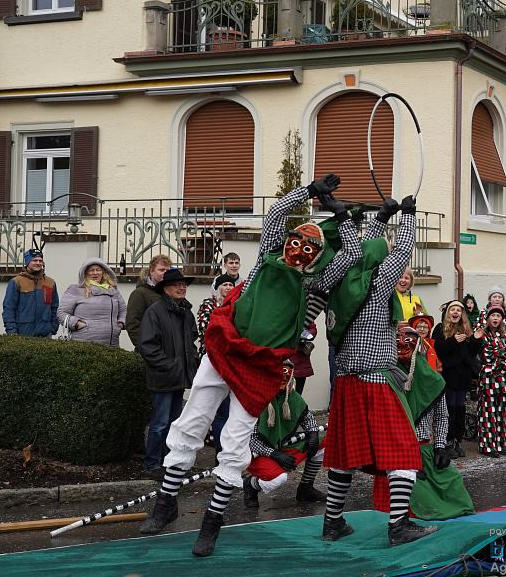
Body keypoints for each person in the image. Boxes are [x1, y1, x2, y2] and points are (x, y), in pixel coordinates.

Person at [139, 176, 362, 558]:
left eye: (311, 245)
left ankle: (212, 521)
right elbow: (277, 212)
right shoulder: (264, 260)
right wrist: (307, 192)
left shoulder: (314, 281)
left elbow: (351, 254)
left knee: (236, 441)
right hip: (225, 351)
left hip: (260, 369)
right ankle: (166, 502)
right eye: (297, 239)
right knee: (191, 422)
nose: (300, 248)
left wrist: (340, 215)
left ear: (316, 256)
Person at [319, 195, 437, 546]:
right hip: (374, 379)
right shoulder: (377, 284)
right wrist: (410, 217)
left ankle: (332, 523)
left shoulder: (342, 280)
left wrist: (381, 217)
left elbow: (363, 250)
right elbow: (401, 254)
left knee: (344, 455)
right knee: (403, 451)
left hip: (345, 381)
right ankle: (399, 525)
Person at [371, 326, 473, 520]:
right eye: (397, 341)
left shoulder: (433, 380)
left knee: (453, 486)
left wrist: (440, 447)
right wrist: (403, 458)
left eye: (407, 341)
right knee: (416, 500)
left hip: (425, 450)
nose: (402, 344)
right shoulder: (383, 379)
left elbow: (442, 416)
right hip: (394, 453)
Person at [136, 267, 199, 476]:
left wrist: (191, 363)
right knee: (159, 424)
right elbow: (147, 346)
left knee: (175, 424)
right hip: (163, 378)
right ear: (166, 289)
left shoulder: (186, 313)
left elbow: (191, 342)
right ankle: (152, 465)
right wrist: (170, 366)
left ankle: (169, 462)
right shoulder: (155, 311)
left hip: (179, 378)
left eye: (184, 285)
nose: (182, 288)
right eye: (176, 285)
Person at [242, 360, 326, 508]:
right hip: (258, 453)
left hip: (283, 446)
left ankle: (305, 488)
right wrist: (275, 455)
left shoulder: (292, 396)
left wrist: (312, 434)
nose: (282, 378)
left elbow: (308, 418)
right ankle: (251, 484)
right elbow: (251, 440)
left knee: (322, 442)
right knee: (278, 480)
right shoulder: (256, 398)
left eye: (286, 373)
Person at [195, 273, 236, 450]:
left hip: (233, 362)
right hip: (212, 360)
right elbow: (207, 331)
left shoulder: (238, 306)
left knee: (229, 410)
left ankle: (227, 449)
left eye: (231, 284)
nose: (228, 287)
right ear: (217, 287)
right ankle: (219, 449)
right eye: (225, 284)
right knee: (216, 409)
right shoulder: (208, 305)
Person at [433, 299, 476, 458]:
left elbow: (471, 354)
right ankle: (447, 441)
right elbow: (437, 349)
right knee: (448, 409)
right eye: (453, 309)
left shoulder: (466, 329)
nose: (456, 312)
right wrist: (453, 341)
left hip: (462, 376)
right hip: (448, 375)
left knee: (460, 409)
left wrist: (476, 340)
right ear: (447, 312)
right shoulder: (440, 328)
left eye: (459, 310)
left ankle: (458, 440)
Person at [57, 258, 126, 347]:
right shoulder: (75, 290)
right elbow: (62, 313)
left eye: (98, 270)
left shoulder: (113, 291)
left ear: (103, 272)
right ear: (85, 273)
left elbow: (123, 311)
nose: (95, 273)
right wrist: (77, 324)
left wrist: (120, 325)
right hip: (84, 345)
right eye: (91, 270)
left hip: (111, 344)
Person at [475, 305, 506, 457]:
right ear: (488, 318)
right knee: (487, 412)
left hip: (503, 378)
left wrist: (505, 359)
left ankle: (499, 443)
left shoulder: (504, 336)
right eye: (493, 315)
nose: (495, 318)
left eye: (498, 316)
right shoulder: (483, 335)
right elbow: (489, 355)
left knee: (501, 412)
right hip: (488, 378)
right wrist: (503, 357)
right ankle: (487, 446)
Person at [2, 249, 59, 338]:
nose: (38, 263)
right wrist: (12, 331)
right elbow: (9, 308)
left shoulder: (50, 282)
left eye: (40, 260)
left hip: (45, 335)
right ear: (27, 262)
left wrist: (52, 328)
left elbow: (54, 307)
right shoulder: (16, 282)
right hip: (22, 334)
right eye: (34, 260)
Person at [126, 255, 172, 347]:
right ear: (151, 271)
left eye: (168, 270)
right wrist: (146, 348)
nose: (165, 273)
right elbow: (133, 324)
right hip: (150, 352)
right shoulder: (139, 293)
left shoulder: (171, 292)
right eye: (161, 270)